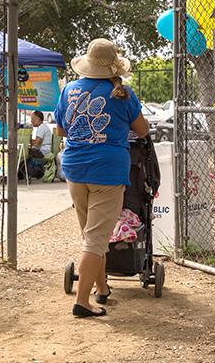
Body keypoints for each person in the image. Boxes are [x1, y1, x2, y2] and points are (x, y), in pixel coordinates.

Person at [54, 38, 149, 318]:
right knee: (96, 239)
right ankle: (82, 301)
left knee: (90, 235)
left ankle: (102, 287)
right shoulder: (123, 93)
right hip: (108, 172)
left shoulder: (69, 89)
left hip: (75, 169)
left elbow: (61, 130)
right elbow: (142, 130)